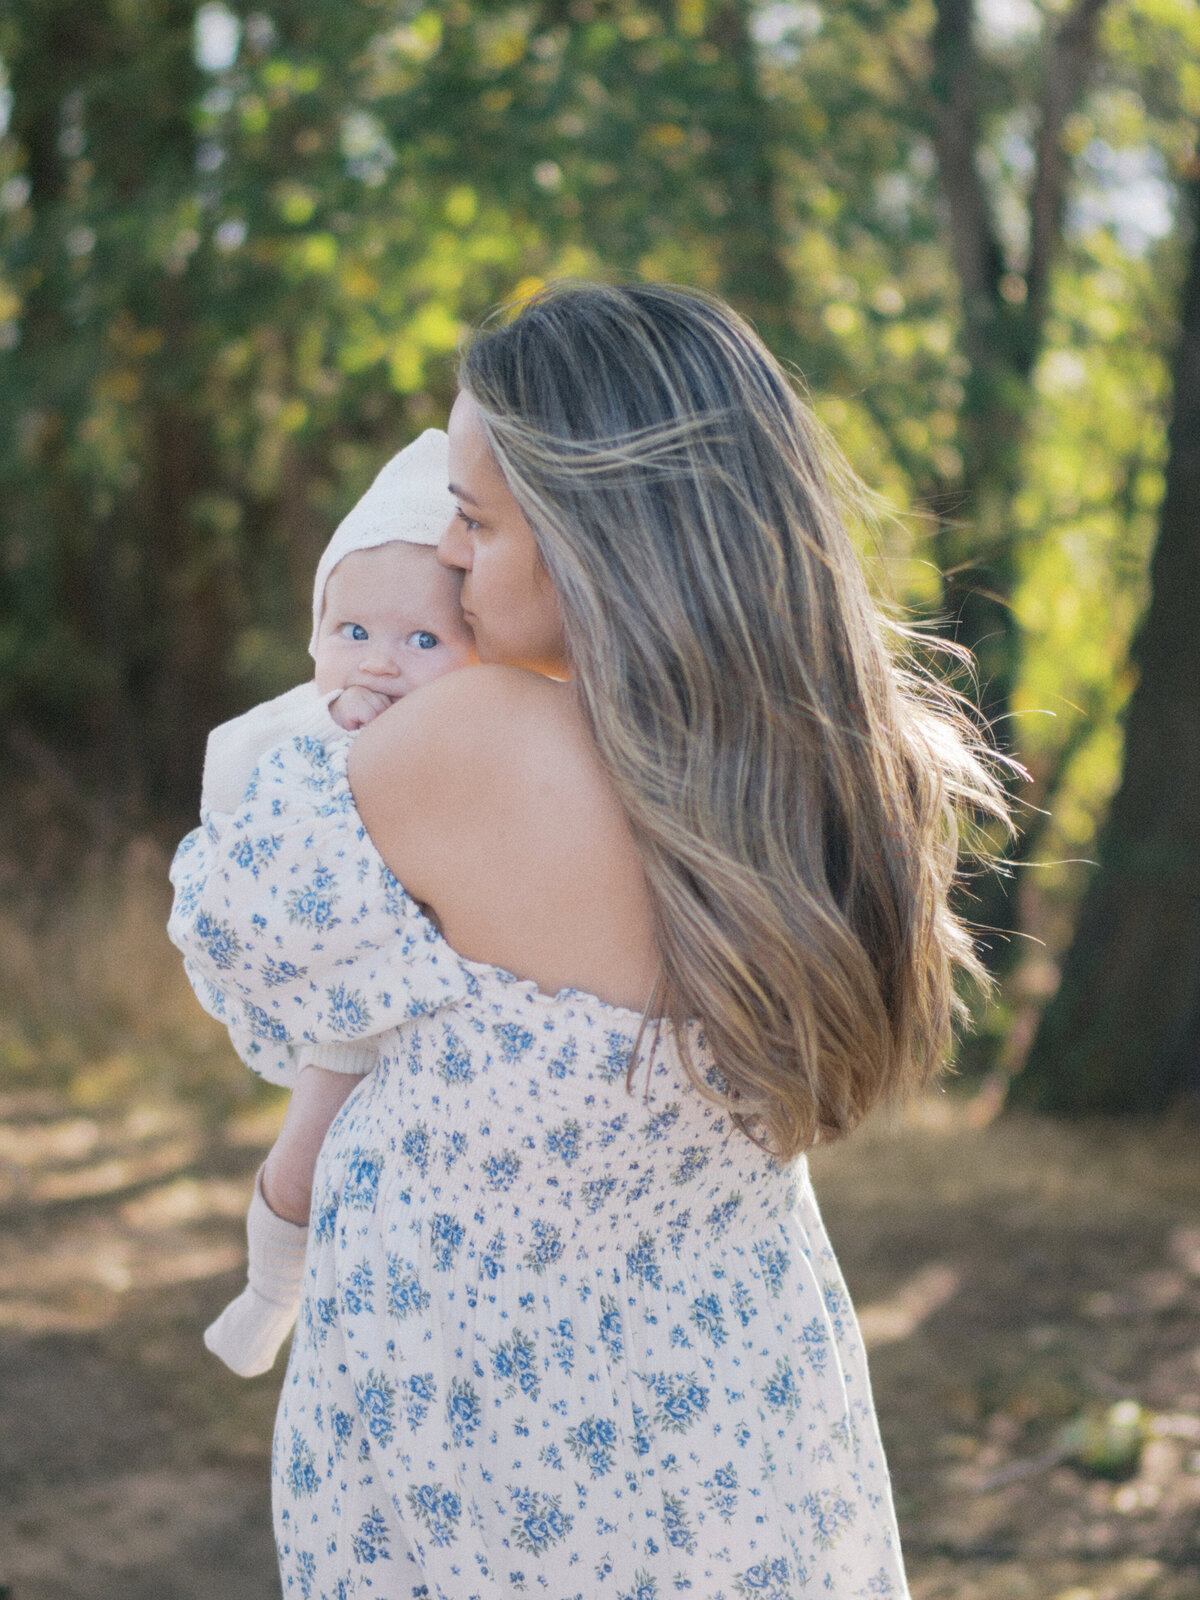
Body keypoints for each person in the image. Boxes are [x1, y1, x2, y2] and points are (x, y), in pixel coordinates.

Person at [169, 282, 1007, 1599]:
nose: (446, 559)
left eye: (473, 522)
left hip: (493, 1463)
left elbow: (247, 946)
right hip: (730, 1425)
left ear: (592, 539)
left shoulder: (476, 743)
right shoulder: (820, 783)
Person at [192, 429, 477, 1377]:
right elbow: (240, 838)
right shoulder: (303, 735)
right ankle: (270, 1291)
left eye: (423, 639)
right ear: (316, 634)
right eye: (352, 632)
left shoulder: (484, 733)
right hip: (350, 1003)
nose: (379, 663)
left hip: (445, 1013)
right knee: (304, 1153)